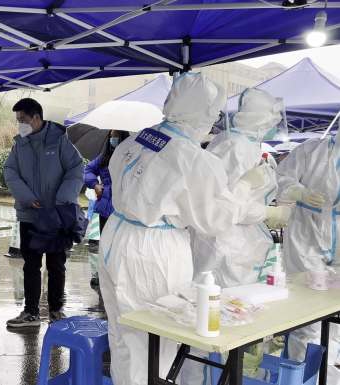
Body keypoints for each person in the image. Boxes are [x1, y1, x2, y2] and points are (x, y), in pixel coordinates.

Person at [97, 73, 289, 385]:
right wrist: (244, 188)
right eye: (212, 113)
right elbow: (215, 219)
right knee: (157, 338)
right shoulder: (191, 157)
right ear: (200, 112)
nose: (214, 121)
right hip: (154, 250)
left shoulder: (137, 139)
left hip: (116, 237)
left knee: (123, 333)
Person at [192, 88, 285, 288]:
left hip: (237, 238)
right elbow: (226, 202)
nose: (275, 126)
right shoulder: (236, 147)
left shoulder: (240, 142)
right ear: (261, 120)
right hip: (228, 241)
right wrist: (266, 211)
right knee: (228, 302)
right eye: (273, 120)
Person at [4, 98, 84, 326]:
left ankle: (56, 310)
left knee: (56, 264)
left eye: (23, 120)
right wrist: (27, 198)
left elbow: (76, 168)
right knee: (30, 265)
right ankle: (30, 312)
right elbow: (10, 171)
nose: (20, 125)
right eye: (18, 120)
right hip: (30, 215)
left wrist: (63, 199)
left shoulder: (59, 140)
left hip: (57, 216)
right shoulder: (20, 144)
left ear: (36, 118)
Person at [276, 121, 340, 382]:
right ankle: (299, 376)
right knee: (307, 316)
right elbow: (281, 176)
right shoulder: (313, 150)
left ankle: (327, 373)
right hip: (307, 235)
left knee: (336, 318)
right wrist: (299, 192)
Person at [83, 130, 128, 287]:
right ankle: (103, 272)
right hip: (105, 206)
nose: (113, 139)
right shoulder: (103, 157)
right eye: (111, 136)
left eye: (116, 136)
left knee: (120, 243)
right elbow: (88, 170)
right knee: (105, 241)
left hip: (123, 208)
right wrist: (95, 184)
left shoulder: (131, 156)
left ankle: (119, 274)